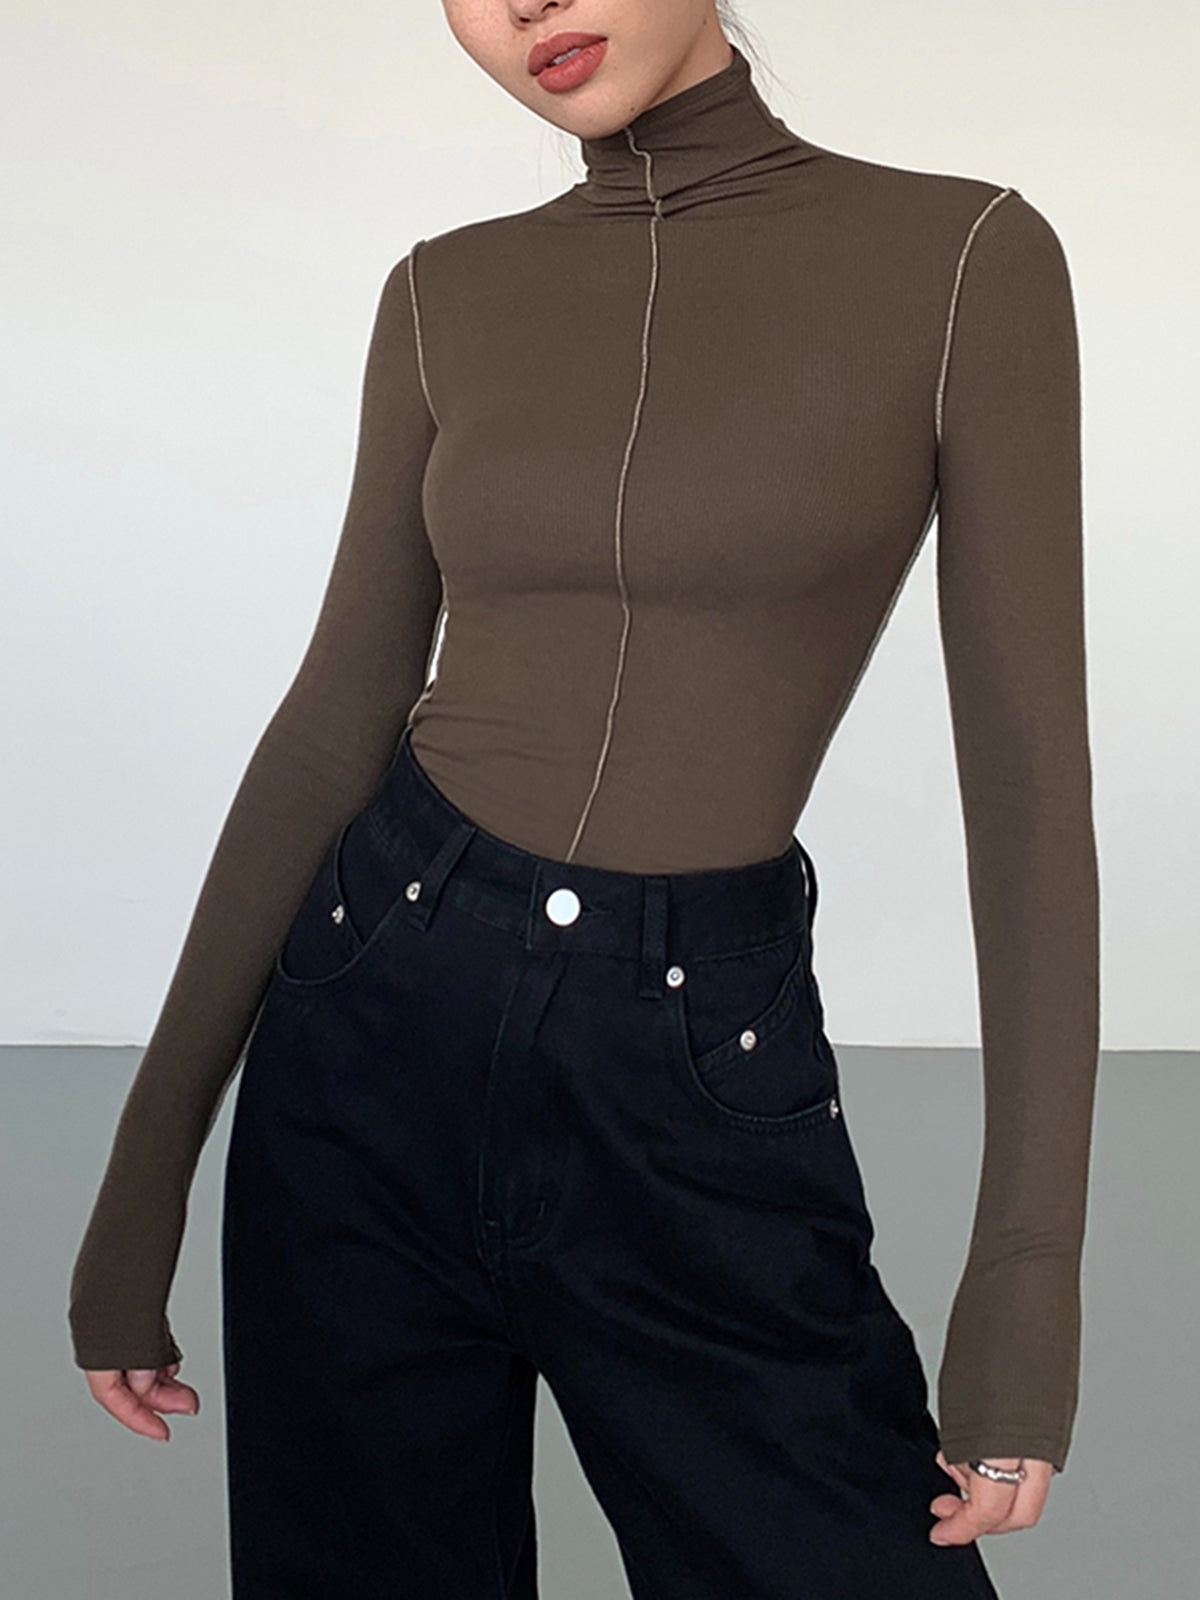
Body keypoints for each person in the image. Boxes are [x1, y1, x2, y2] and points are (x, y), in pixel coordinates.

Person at [68, 2, 1099, 1594]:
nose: (528, 2)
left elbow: (1025, 783)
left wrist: (1025, 1289)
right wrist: (145, 1184)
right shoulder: (445, 291)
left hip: (692, 1061)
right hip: (368, 1031)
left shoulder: (965, 260)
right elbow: (334, 721)